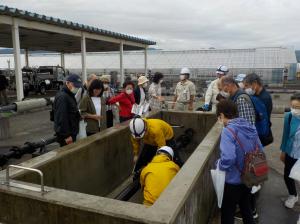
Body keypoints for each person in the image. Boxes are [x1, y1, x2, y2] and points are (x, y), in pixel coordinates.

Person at [216, 100, 262, 224]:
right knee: (246, 206)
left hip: (234, 180)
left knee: (227, 211)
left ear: (221, 115)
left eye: (219, 117)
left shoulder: (228, 131)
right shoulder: (249, 126)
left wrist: (219, 165)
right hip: (249, 176)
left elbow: (229, 158)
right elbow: (260, 149)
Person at [280, 93, 300, 209]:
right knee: (287, 175)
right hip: (290, 152)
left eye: (298, 107)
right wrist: (283, 151)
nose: (294, 110)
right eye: (293, 106)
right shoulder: (289, 116)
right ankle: (293, 195)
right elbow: (285, 135)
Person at [54, 74, 82, 147]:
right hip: (67, 136)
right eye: (74, 85)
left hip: (71, 133)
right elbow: (62, 117)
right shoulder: (63, 97)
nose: (76, 88)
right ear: (67, 83)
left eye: (78, 86)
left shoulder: (69, 95)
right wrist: (66, 136)